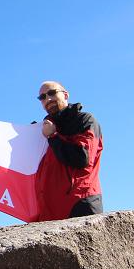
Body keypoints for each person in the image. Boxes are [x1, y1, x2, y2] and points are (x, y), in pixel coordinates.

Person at [34, 81, 104, 221]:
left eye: (52, 93)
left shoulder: (84, 120)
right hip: (49, 212)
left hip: (80, 204)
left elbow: (81, 159)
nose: (48, 99)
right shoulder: (42, 130)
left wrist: (53, 136)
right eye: (42, 97)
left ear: (65, 95)